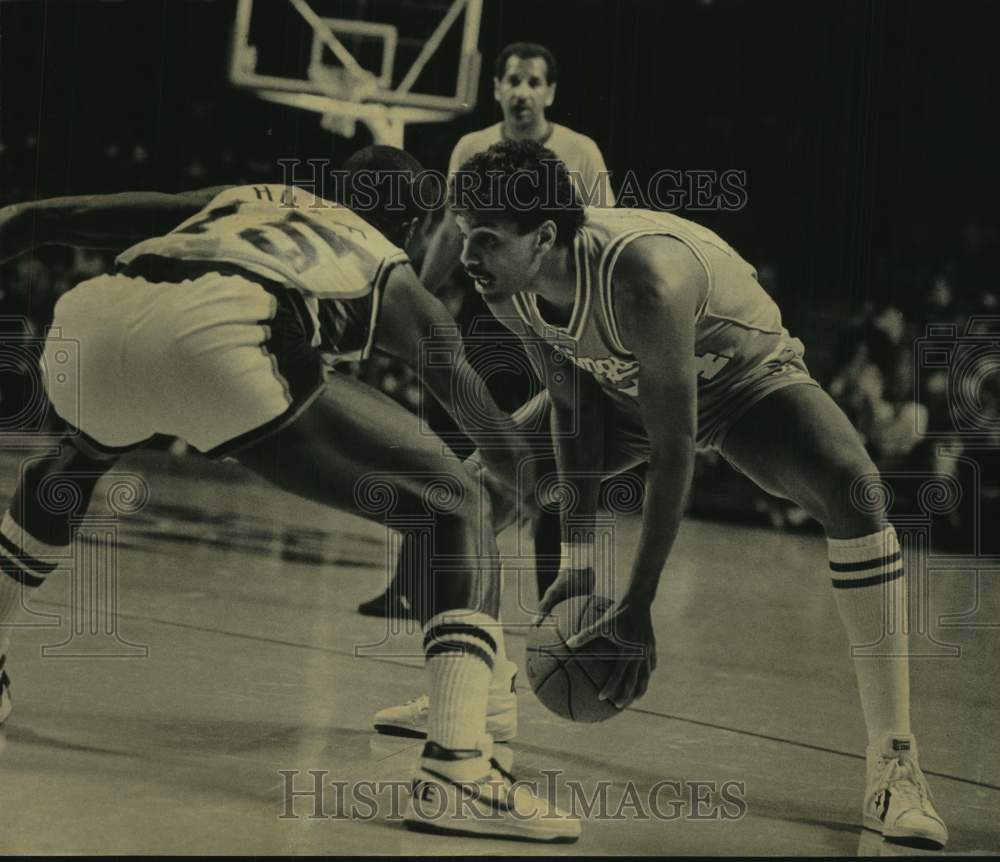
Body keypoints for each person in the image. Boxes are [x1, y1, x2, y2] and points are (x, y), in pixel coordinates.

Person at [0, 146, 579, 842]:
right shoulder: (388, 266)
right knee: (453, 501)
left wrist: (23, 221)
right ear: (419, 227)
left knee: (76, 460)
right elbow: (486, 431)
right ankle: (458, 768)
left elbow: (72, 216)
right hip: (221, 333)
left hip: (94, 320)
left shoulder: (249, 195)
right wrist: (547, 506)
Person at [383, 139, 950, 849]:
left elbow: (675, 453)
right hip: (618, 391)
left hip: (744, 382)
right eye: (466, 237)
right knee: (468, 494)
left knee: (857, 495)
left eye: (488, 240)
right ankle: (478, 698)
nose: (469, 257)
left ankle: (895, 762)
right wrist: (582, 560)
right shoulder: (512, 292)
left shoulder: (643, 278)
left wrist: (637, 604)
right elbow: (573, 410)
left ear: (545, 238)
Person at [361, 39, 615, 636]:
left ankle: (557, 598)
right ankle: (415, 586)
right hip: (489, 318)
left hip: (555, 324)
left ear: (550, 92)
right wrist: (415, 301)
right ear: (496, 89)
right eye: (512, 80)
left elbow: (601, 233)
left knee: (551, 455)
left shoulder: (580, 153)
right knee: (449, 452)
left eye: (534, 81)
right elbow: (452, 231)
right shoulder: (471, 148)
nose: (522, 91)